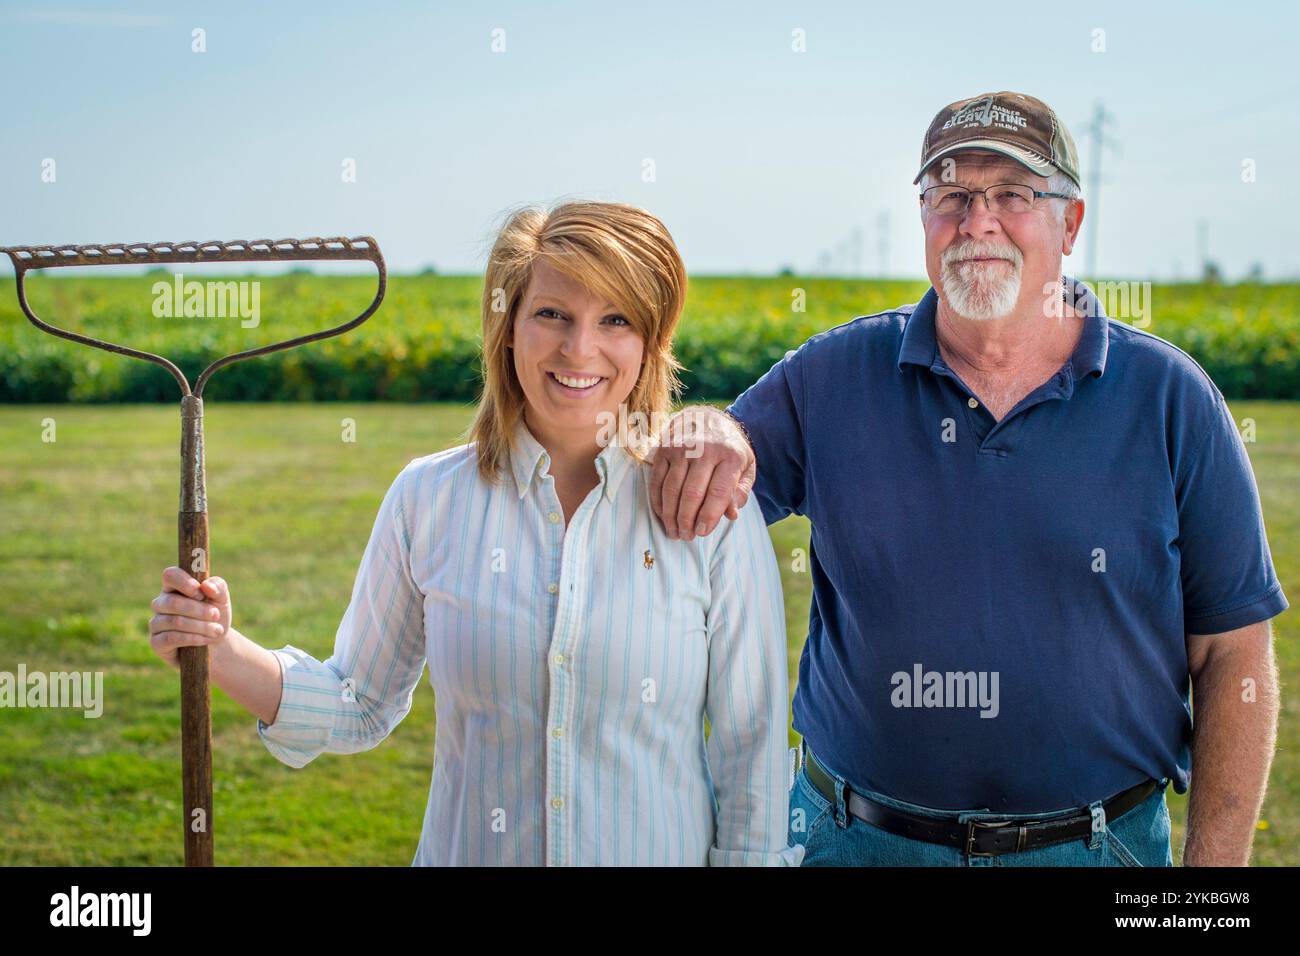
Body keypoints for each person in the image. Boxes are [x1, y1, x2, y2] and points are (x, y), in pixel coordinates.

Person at [648, 92, 1287, 866]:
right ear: (924, 217)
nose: (977, 220)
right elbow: (724, 463)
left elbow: (1234, 654)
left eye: (1012, 195)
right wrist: (709, 426)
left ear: (1071, 223)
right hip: (857, 841)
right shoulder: (835, 375)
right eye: (950, 195)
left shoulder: (1170, 398)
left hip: (1096, 847)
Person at [147, 200, 802, 866]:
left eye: (616, 320)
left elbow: (751, 758)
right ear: (509, 325)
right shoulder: (427, 499)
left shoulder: (709, 511)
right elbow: (358, 702)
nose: (580, 348)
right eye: (552, 314)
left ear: (650, 342)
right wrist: (220, 649)